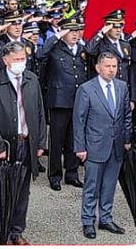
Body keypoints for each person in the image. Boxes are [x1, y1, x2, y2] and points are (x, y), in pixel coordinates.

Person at [0, 41, 48, 245]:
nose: (21, 63)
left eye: (23, 59)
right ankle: (2, 232)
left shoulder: (32, 79)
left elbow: (39, 112)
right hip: (6, 146)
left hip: (27, 142)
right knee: (4, 190)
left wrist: (40, 142)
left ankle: (17, 232)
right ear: (5, 60)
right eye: (17, 59)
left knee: (22, 191)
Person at [73, 52, 132, 239]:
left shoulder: (122, 87)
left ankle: (105, 218)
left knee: (109, 185)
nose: (112, 70)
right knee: (91, 186)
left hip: (116, 145)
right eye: (107, 66)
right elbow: (79, 120)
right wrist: (80, 147)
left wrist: (127, 139)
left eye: (114, 66)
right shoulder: (86, 89)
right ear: (98, 68)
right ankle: (88, 221)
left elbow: (126, 116)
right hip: (94, 145)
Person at [37, 16, 88, 191]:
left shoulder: (82, 48)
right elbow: (40, 55)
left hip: (78, 99)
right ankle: (55, 175)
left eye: (77, 31)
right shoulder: (55, 48)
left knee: (75, 138)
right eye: (71, 31)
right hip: (59, 100)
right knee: (57, 140)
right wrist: (56, 36)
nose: (75, 34)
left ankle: (72, 173)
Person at [86, 10, 133, 88]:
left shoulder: (125, 45)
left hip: (122, 88)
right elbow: (89, 50)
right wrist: (101, 32)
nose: (118, 30)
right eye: (115, 27)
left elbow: (128, 70)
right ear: (107, 27)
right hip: (105, 87)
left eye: (120, 26)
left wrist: (132, 96)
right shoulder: (100, 43)